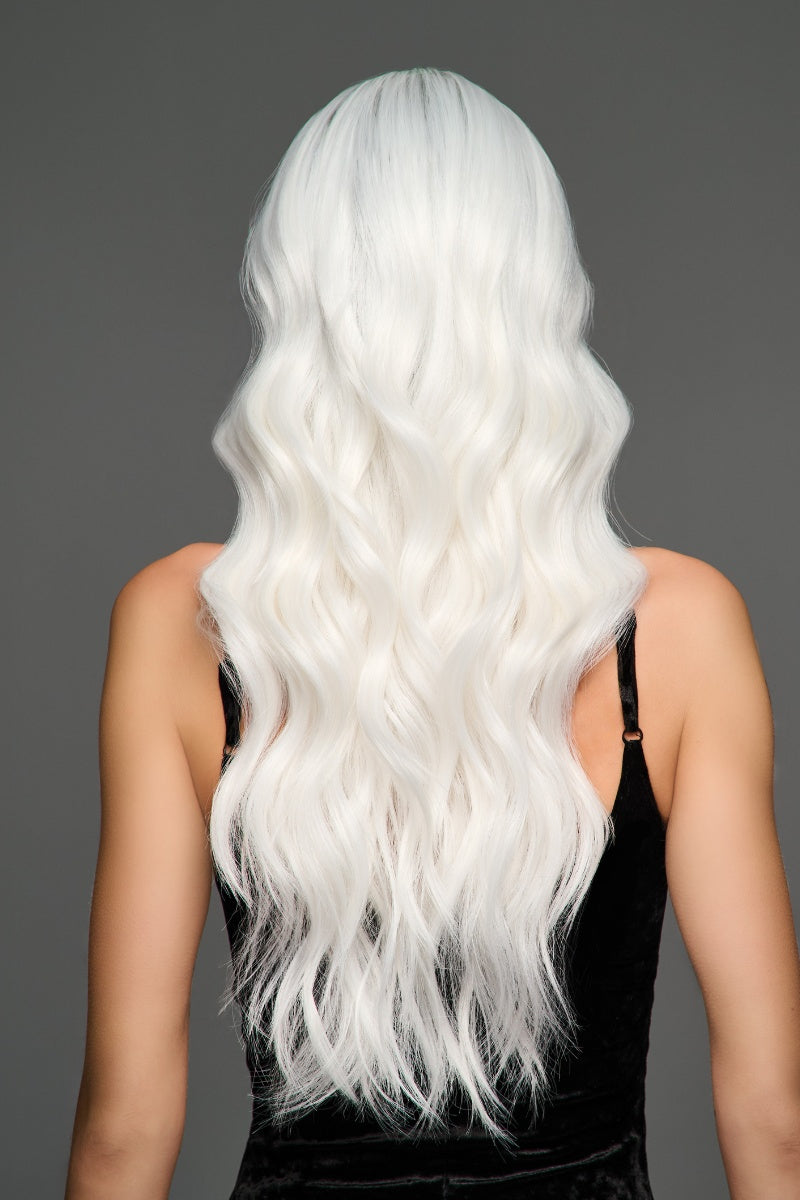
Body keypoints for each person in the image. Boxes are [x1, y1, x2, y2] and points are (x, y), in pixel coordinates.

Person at [64, 69, 800, 1200]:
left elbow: (124, 1129)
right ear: (541, 295)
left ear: (296, 298)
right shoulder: (677, 630)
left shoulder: (181, 621)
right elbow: (775, 1122)